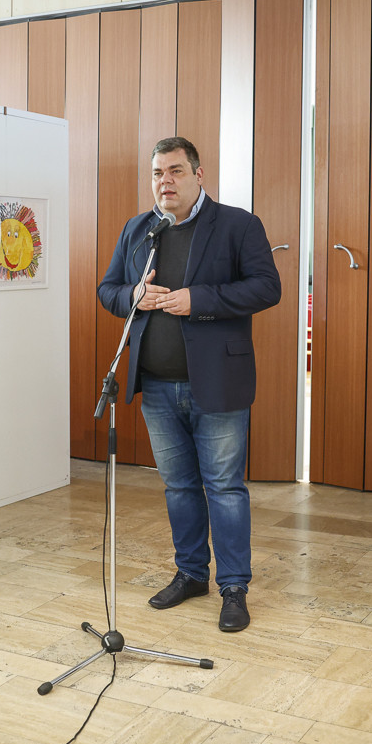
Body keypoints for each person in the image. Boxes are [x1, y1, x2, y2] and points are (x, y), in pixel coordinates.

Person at [97, 136, 281, 633]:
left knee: (224, 488)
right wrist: (133, 294)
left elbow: (267, 287)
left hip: (217, 384)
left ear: (199, 175)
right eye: (158, 173)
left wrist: (199, 300)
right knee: (178, 487)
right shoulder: (139, 230)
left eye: (176, 171)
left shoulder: (238, 224)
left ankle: (234, 587)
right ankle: (192, 574)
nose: (166, 182)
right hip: (156, 387)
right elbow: (107, 290)